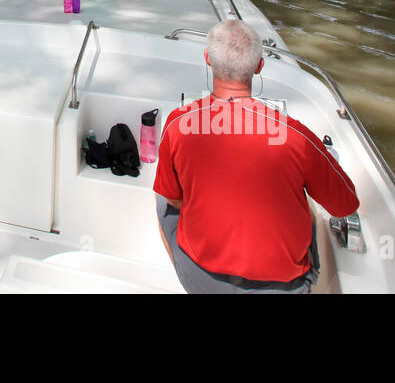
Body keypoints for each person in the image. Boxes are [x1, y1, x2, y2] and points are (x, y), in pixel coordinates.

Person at [153, 19, 360, 293]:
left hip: (203, 281)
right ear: (260, 65)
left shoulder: (180, 123)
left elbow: (173, 200)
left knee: (161, 197)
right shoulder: (296, 136)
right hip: (286, 288)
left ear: (207, 60)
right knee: (305, 202)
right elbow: (345, 206)